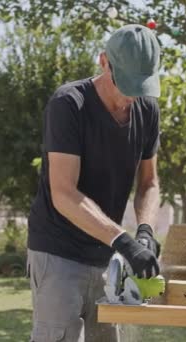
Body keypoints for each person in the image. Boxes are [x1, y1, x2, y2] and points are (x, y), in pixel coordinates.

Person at [27, 24, 162, 342]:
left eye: (139, 86)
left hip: (107, 257)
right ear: (104, 62)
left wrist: (145, 231)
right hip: (58, 252)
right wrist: (124, 242)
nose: (131, 96)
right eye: (124, 84)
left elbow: (149, 183)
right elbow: (64, 193)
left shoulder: (147, 109)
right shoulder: (69, 105)